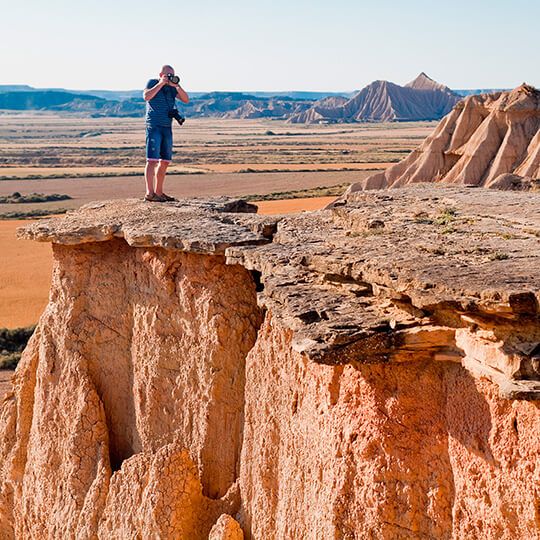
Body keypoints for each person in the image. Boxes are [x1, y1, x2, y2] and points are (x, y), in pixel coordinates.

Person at [142, 65, 189, 202]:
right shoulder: (153, 83)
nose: (169, 77)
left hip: (167, 127)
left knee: (165, 161)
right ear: (161, 74)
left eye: (172, 75)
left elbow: (186, 100)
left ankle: (159, 192)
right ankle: (149, 193)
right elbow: (146, 96)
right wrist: (161, 83)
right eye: (167, 74)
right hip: (154, 125)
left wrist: (177, 86)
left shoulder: (172, 89)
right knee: (152, 160)